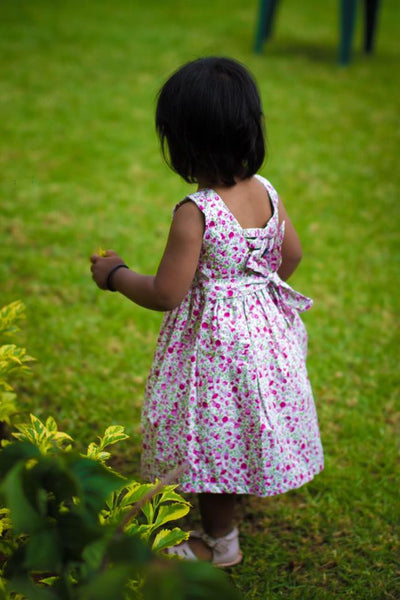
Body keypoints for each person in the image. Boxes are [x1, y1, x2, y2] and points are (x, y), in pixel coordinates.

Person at [90, 56, 324, 568]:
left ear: (181, 142)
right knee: (241, 427)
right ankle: (224, 523)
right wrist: (255, 299)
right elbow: (293, 256)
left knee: (217, 439)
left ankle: (219, 542)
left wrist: (116, 275)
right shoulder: (266, 190)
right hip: (266, 335)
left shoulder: (195, 212)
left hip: (215, 348)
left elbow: (167, 292)